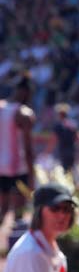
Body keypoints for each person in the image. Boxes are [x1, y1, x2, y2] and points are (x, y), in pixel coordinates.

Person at [0, 74, 35, 227]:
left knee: (2, 211)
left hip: (1, 166)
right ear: (26, 92)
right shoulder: (25, 114)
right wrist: (32, 173)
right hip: (19, 168)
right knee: (19, 215)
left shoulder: (1, 107)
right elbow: (27, 147)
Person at [46, 103, 79, 172]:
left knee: (65, 172)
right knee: (72, 171)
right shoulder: (73, 124)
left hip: (63, 152)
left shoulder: (58, 126)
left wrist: (47, 152)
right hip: (72, 152)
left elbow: (53, 140)